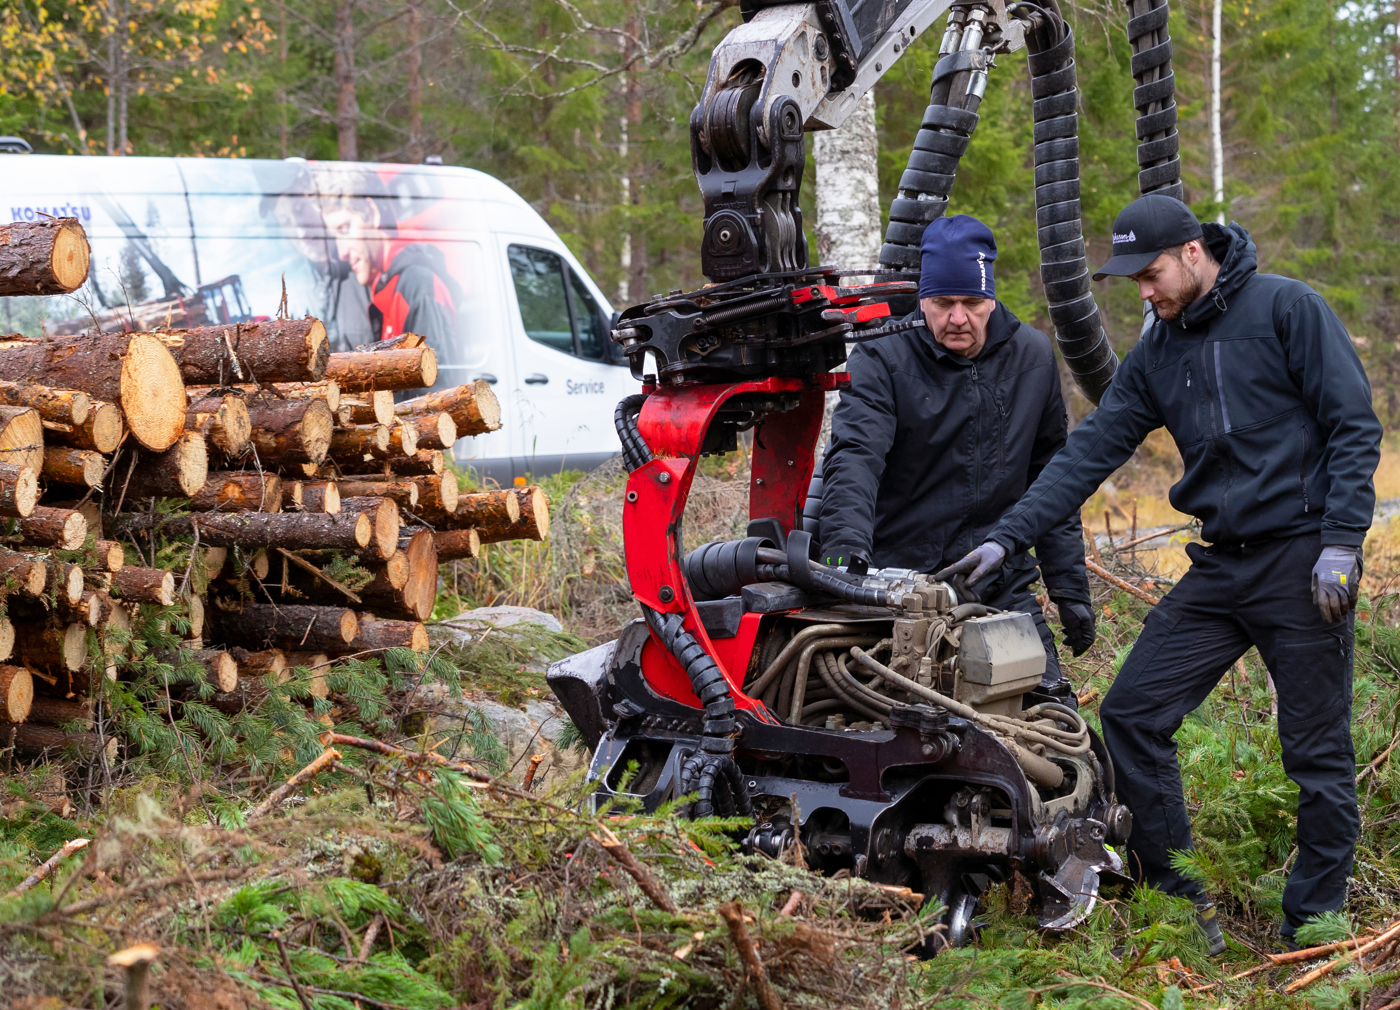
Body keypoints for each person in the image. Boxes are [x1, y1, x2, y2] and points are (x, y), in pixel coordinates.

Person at [938, 194, 1383, 953]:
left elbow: (1353, 424)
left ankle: (1315, 932)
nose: (1144, 293)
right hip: (1221, 568)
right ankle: (1182, 907)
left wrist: (1342, 540)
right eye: (1133, 281)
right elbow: (1087, 453)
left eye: (1151, 274)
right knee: (1133, 715)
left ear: (1192, 253)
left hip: (1305, 561)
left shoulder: (1287, 310)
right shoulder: (1159, 350)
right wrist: (1008, 539)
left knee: (1317, 754)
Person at [817, 214, 1095, 703]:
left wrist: (1069, 589)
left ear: (992, 298)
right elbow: (856, 456)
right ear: (922, 298)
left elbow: (1052, 481)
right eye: (942, 303)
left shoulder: (1031, 357)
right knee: (888, 715)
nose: (958, 318)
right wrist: (845, 562)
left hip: (996, 582)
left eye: (972, 302)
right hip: (896, 583)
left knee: (1050, 712)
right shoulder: (883, 354)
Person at [316, 167, 461, 347]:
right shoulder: (389, 290)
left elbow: (437, 373)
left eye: (345, 229)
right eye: (335, 237)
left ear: (371, 212)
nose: (342, 253)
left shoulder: (417, 287)